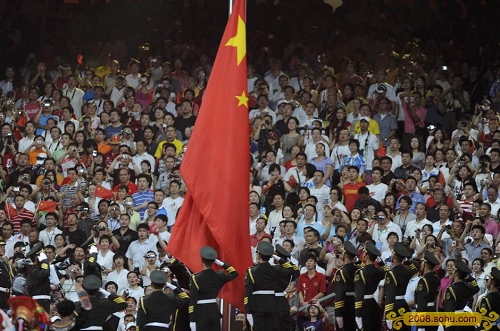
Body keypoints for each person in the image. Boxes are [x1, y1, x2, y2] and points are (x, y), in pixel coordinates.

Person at [244, 241, 298, 331]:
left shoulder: (252, 271)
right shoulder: (275, 269)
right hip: (273, 305)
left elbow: (248, 292)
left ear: (258, 254)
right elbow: (292, 270)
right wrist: (279, 258)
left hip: (257, 305)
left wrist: (248, 310)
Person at [189, 246, 238, 331]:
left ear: (202, 260)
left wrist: (192, 320)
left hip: (201, 312)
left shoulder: (195, 278)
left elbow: (192, 301)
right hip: (214, 310)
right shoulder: (219, 276)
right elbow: (234, 273)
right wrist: (221, 264)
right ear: (213, 262)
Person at [354, 241, 386, 331]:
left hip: (363, 305)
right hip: (373, 303)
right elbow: (387, 272)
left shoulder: (360, 272)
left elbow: (359, 294)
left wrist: (357, 314)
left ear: (366, 256)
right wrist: (381, 263)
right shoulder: (378, 271)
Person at [443, 258, 479, 331]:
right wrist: (468, 277)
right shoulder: (467, 287)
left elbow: (449, 311)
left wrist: (448, 328)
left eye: (453, 270)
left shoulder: (451, 289)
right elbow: (476, 288)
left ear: (456, 273)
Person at [384, 242, 413, 331]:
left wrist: (388, 314)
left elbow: (389, 294)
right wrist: (407, 259)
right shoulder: (407, 271)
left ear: (394, 257)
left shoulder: (391, 273)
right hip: (404, 304)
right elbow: (414, 267)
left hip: (394, 306)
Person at [334, 241, 359, 331]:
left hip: (346, 304)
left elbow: (339, 294)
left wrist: (338, 313)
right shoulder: (359, 269)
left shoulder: (341, 271)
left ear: (345, 255)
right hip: (358, 303)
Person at [415, 250, 440, 331]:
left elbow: (422, 301)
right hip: (432, 311)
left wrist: (421, 324)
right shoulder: (436, 279)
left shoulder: (423, 280)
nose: (421, 265)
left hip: (424, 312)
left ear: (426, 266)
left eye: (422, 263)